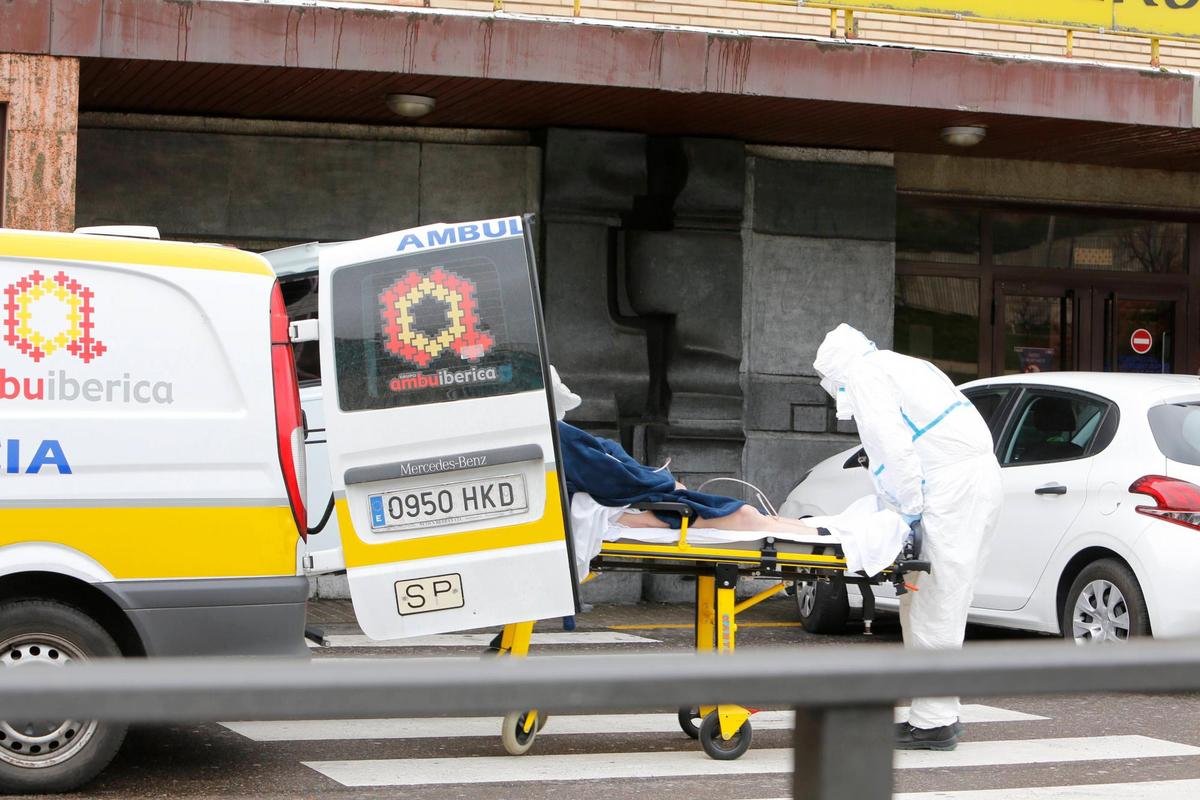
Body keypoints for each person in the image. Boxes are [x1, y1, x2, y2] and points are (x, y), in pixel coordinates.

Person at [813, 324, 1003, 752]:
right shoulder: (903, 364)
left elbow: (895, 451)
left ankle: (934, 723)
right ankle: (940, 713)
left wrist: (910, 512)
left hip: (948, 491)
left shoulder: (865, 377)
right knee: (939, 600)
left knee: (933, 601)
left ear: (838, 372)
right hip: (974, 483)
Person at [550, 367, 813, 536]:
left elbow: (610, 470)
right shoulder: (560, 436)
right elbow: (612, 479)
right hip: (615, 507)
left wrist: (658, 481)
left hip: (619, 501)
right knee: (744, 516)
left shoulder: (558, 436)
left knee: (746, 516)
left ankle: (815, 530)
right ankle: (816, 532)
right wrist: (664, 482)